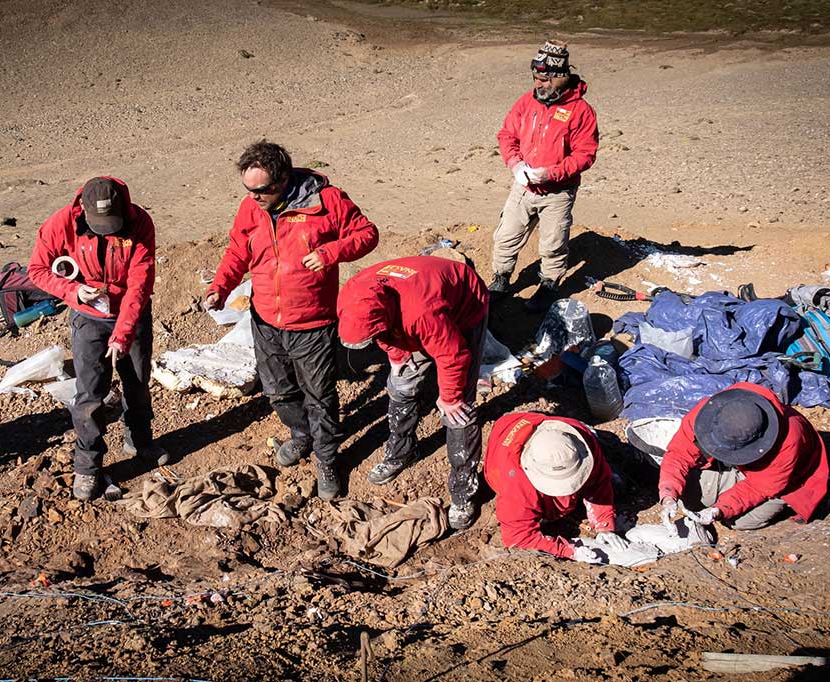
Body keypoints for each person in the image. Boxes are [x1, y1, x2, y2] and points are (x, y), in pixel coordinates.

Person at [204, 141, 378, 500]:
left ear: (282, 180)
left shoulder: (325, 201)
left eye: (261, 190)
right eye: (247, 190)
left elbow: (366, 234)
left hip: (312, 322)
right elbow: (238, 250)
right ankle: (303, 437)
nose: (253, 197)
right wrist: (221, 287)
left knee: (319, 396)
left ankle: (328, 459)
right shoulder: (251, 209)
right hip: (266, 319)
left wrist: (331, 252)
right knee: (278, 391)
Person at [28, 176, 158, 501]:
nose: (108, 230)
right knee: (90, 396)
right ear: (82, 209)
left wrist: (122, 334)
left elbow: (139, 284)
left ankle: (139, 440)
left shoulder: (139, 223)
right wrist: (73, 291)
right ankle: (88, 466)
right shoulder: (61, 223)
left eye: (113, 224)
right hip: (88, 319)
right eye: (100, 225)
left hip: (133, 314)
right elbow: (38, 269)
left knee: (138, 383)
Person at [336, 256, 488, 529]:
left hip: (464, 303)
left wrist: (450, 398)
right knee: (400, 384)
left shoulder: (422, 314)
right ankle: (403, 452)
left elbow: (455, 355)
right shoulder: (352, 296)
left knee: (459, 413)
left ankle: (463, 493)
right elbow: (381, 333)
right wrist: (396, 357)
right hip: (412, 310)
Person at [490, 39, 599, 314]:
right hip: (524, 186)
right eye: (536, 79)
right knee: (506, 236)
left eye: (544, 80)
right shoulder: (527, 102)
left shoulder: (581, 111)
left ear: (560, 78)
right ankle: (500, 281)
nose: (538, 85)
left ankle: (549, 285)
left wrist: (551, 173)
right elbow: (507, 135)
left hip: (558, 191)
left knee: (553, 243)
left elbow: (585, 154)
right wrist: (515, 164)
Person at [657, 382, 829, 532]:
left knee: (738, 521)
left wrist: (719, 510)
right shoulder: (711, 411)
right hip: (740, 467)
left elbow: (758, 488)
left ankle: (780, 504)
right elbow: (679, 453)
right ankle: (730, 481)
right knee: (690, 497)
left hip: (786, 479)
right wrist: (668, 495)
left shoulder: (789, 440)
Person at [484, 412, 626, 562]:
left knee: (618, 485)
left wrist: (604, 525)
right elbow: (518, 539)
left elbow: (599, 481)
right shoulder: (514, 483)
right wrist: (568, 551)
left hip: (536, 423)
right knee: (543, 511)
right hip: (505, 439)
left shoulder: (582, 439)